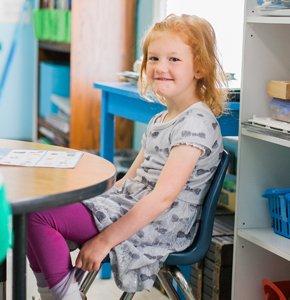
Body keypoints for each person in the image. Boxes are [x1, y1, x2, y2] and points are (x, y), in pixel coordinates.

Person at [27, 14, 227, 299]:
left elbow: (162, 198)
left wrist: (105, 240)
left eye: (174, 59)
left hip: (160, 225)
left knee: (37, 214)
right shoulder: (161, 118)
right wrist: (86, 200)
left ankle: (61, 294)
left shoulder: (195, 123)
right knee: (37, 208)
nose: (160, 67)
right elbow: (128, 180)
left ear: (200, 68)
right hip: (130, 205)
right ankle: (57, 292)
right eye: (154, 58)